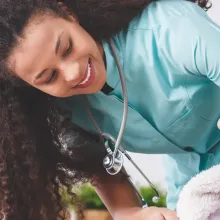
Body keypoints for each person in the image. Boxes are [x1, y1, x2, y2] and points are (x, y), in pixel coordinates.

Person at [0, 0, 217, 219]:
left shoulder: (170, 26)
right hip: (192, 188)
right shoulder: (68, 112)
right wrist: (131, 214)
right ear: (31, 88)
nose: (73, 73)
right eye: (50, 77)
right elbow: (99, 167)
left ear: (69, 14)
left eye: (67, 48)